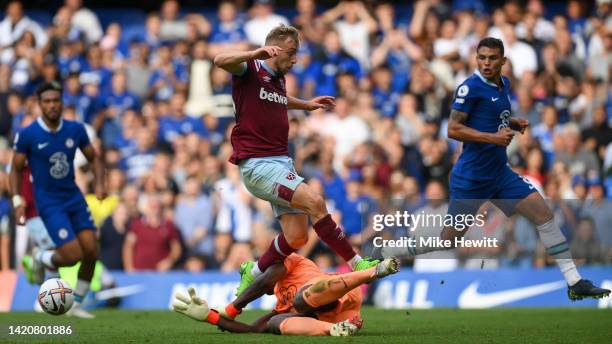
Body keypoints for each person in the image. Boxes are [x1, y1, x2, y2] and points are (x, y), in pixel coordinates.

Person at [377, 37, 610, 301]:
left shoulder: (504, 85)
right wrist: (493, 138)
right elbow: (453, 129)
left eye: (492, 58)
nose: (487, 63)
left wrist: (512, 122)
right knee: (448, 240)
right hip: (471, 179)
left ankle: (574, 281)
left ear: (503, 61)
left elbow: (491, 114)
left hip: (499, 174)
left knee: (544, 214)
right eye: (482, 57)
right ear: (477, 59)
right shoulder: (469, 88)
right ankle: (389, 250)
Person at [213, 24, 378, 296]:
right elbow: (219, 60)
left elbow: (278, 99)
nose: (294, 60)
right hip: (259, 164)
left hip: (280, 163)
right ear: (273, 50)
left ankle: (252, 271)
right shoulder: (249, 70)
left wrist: (306, 104)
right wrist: (255, 53)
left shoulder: (278, 78)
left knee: (297, 236)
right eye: (290, 53)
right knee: (315, 202)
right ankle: (357, 262)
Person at [10, 81, 105, 318]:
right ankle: (41, 257)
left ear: (62, 103)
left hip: (73, 198)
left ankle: (77, 304)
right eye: (47, 101)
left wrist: (101, 184)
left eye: (56, 101)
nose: (52, 105)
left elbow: (95, 158)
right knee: (73, 256)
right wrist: (17, 201)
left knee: (92, 251)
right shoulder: (28, 134)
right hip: (49, 203)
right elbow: (14, 169)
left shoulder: (76, 130)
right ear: (40, 104)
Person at [172, 254, 399, 336]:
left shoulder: (288, 263)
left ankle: (372, 272)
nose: (259, 277)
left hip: (341, 291)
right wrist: (210, 317)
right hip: (340, 317)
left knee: (300, 299)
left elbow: (266, 280)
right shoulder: (280, 303)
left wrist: (234, 307)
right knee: (274, 322)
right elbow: (251, 330)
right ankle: (335, 331)